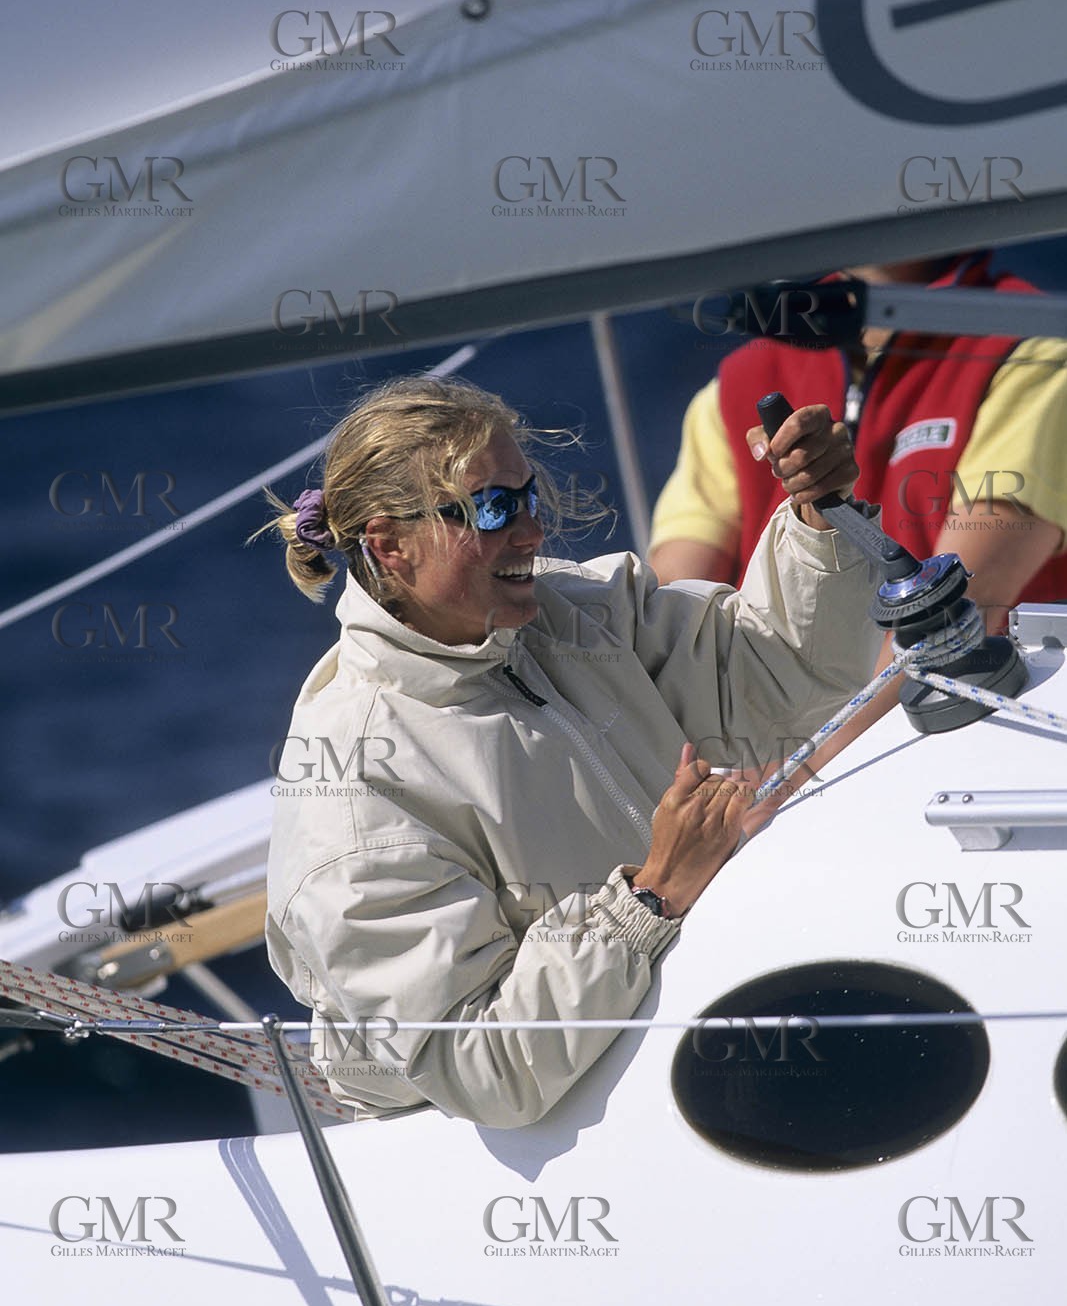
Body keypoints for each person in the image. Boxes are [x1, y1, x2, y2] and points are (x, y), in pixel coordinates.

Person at [262, 376, 880, 1130]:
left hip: (682, 1052)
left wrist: (818, 518)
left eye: (528, 498)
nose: (530, 533)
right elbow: (483, 1067)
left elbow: (788, 673)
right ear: (390, 545)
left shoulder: (574, 615)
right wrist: (649, 898)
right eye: (492, 509)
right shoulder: (354, 787)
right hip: (516, 1156)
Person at [649, 252, 1067, 795]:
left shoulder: (1036, 352)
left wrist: (778, 785)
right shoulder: (734, 388)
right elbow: (673, 615)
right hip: (779, 766)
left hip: (972, 743)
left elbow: (960, 607)